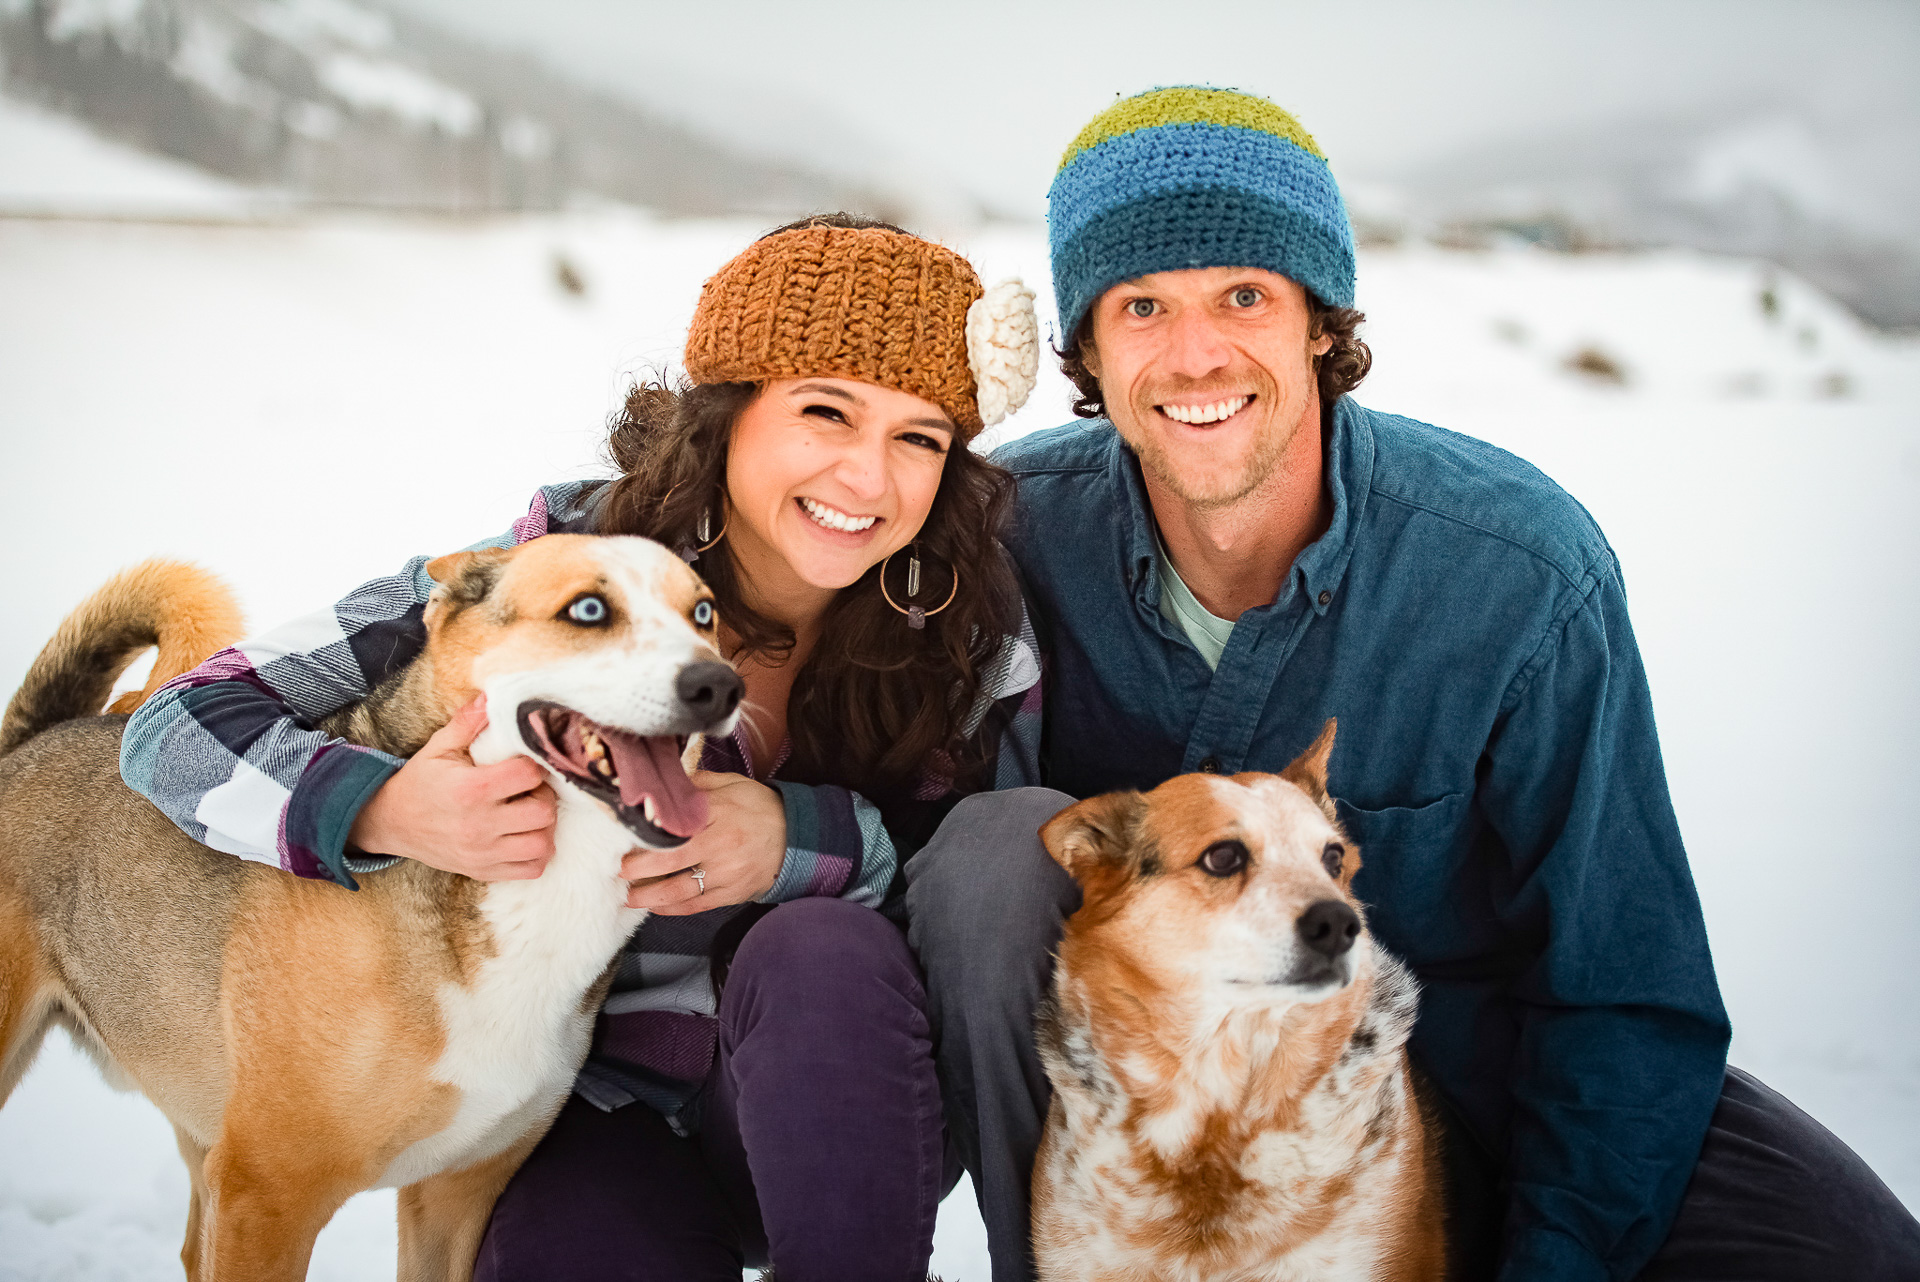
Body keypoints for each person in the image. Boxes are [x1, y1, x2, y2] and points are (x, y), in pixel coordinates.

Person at [902, 88, 1920, 1281]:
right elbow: (794, 608)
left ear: (1320, 326)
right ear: (1088, 346)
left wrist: (1555, 1258)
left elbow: (1623, 982)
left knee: (1852, 1250)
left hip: (1480, 1065)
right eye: (1141, 306)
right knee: (986, 859)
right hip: (1144, 1105)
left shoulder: (1520, 570)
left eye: (1245, 295)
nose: (1195, 355)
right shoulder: (1002, 539)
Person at [120, 214, 1047, 1281]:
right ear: (728, 415)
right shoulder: (551, 565)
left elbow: (970, 891)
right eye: (824, 412)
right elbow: (179, 725)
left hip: (831, 1113)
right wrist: (377, 808)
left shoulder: (968, 633)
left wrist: (802, 837)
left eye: (919, 439)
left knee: (819, 951)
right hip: (582, 1105)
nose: (867, 479)